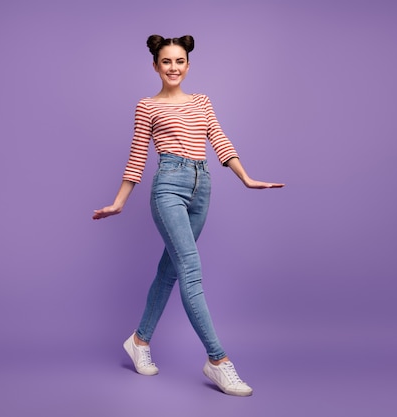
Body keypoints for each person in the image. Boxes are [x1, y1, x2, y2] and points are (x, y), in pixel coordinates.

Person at [92, 34, 284, 397]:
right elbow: (137, 157)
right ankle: (218, 361)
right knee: (191, 272)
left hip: (202, 187)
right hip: (169, 186)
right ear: (155, 66)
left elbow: (219, 139)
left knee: (170, 270)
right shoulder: (147, 106)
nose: (174, 68)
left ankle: (139, 340)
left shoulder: (202, 101)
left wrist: (246, 178)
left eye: (180, 61)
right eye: (166, 62)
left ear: (188, 65)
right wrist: (119, 202)